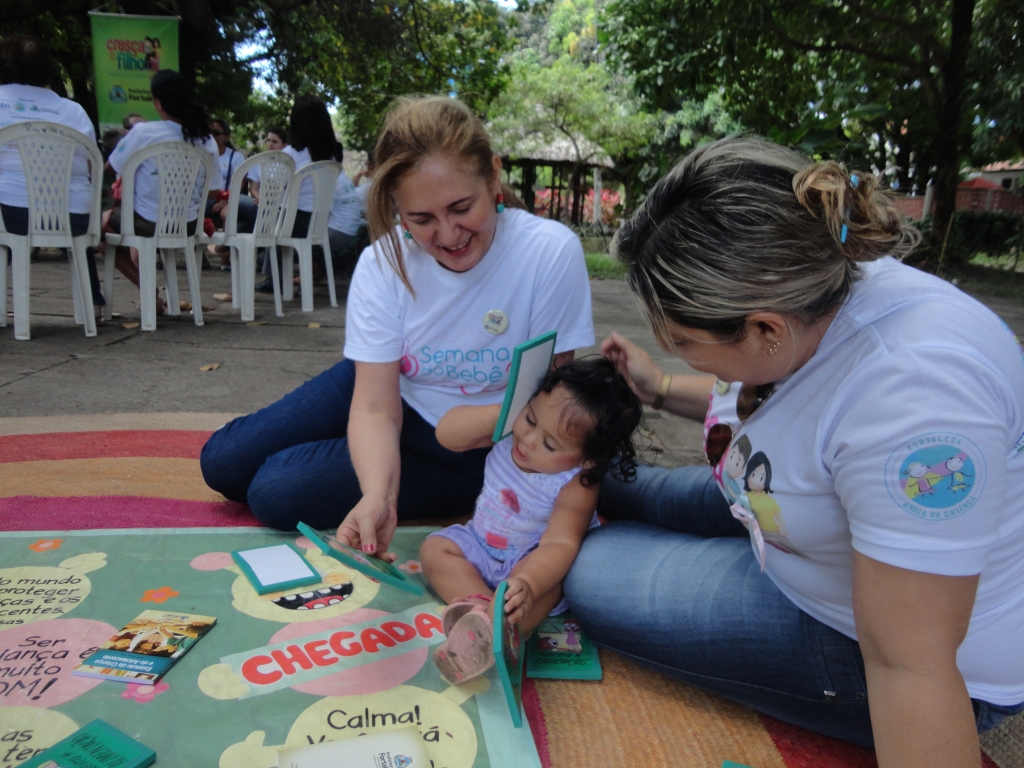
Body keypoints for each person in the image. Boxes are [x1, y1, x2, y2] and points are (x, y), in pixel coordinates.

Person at [563, 136, 1024, 764]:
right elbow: (779, 402)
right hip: (803, 522)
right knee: (612, 485)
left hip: (876, 637)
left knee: (592, 568)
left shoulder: (915, 401)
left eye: (685, 344)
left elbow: (910, 666)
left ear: (765, 328)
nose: (679, 354)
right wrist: (662, 389)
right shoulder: (820, 278)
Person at [200, 95, 595, 547]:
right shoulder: (382, 262)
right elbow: (375, 405)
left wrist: (384, 494)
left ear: (493, 176)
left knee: (274, 492)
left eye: (462, 208)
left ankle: (383, 458)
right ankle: (371, 453)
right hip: (386, 385)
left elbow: (545, 404)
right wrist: (377, 492)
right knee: (222, 462)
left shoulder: (548, 252)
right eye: (421, 219)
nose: (448, 234)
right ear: (396, 208)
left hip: (477, 446)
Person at [422, 357, 641, 684]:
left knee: (547, 591)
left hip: (529, 562)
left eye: (550, 444)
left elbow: (560, 544)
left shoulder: (576, 482)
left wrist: (528, 583)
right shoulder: (510, 434)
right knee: (434, 550)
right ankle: (481, 612)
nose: (528, 440)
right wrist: (505, 413)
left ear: (588, 459)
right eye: (530, 418)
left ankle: (500, 627)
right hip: (479, 544)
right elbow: (447, 435)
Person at [0, 34, 107, 319]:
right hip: (74, 216)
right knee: (76, 217)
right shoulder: (74, 111)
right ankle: (93, 304)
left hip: (12, 214)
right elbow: (90, 167)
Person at [103, 69, 221, 309]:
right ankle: (150, 294)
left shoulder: (143, 133)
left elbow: (110, 168)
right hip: (188, 225)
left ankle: (147, 290)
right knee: (131, 224)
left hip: (146, 222)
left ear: (157, 103)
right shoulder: (206, 139)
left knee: (98, 228)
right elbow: (212, 192)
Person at [247, 96, 339, 293]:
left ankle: (272, 278)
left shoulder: (291, 153)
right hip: (318, 223)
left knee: (256, 211)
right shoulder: (330, 156)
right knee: (276, 215)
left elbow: (271, 191)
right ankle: (276, 278)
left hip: (292, 223)